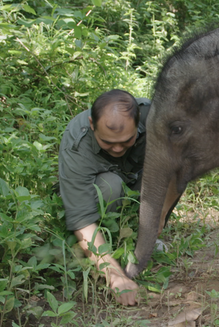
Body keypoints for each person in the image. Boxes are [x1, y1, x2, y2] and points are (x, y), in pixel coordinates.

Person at [58, 89, 150, 305]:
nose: (117, 148)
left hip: (137, 178)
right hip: (104, 188)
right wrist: (114, 274)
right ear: (92, 125)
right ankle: (109, 242)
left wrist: (158, 221)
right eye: (107, 142)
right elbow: (82, 219)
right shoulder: (77, 144)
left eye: (127, 141)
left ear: (138, 124)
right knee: (110, 184)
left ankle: (145, 234)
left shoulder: (153, 117)